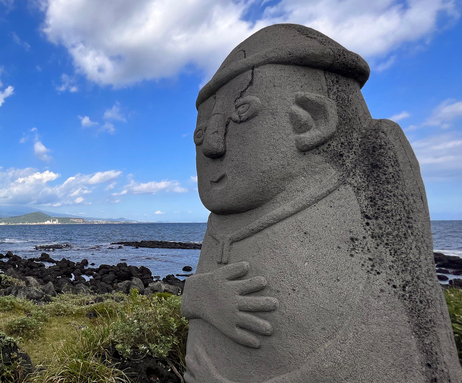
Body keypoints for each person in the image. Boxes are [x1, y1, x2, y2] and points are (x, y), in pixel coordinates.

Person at [181, 24, 462, 382]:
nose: (213, 146)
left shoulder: (365, 189)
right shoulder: (221, 221)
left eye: (242, 113)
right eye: (201, 133)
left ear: (311, 120)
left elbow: (392, 341)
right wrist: (200, 296)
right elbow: (194, 296)